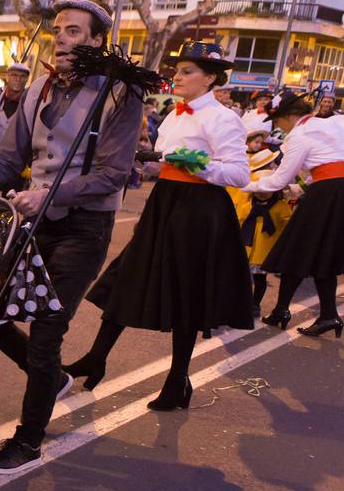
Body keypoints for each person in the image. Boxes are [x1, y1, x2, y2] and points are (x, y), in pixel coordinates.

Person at [0, 0, 144, 475]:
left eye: (74, 32)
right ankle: (53, 379)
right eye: (59, 31)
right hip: (32, 223)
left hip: (84, 227)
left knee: (45, 332)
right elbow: (6, 159)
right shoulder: (37, 90)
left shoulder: (120, 95)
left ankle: (28, 441)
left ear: (98, 41)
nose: (61, 39)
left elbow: (111, 175)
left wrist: (50, 194)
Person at [64, 42, 253, 412]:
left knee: (186, 293)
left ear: (210, 78)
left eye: (187, 71)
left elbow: (239, 174)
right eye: (178, 70)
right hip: (165, 202)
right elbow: (167, 160)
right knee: (128, 275)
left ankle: (177, 379)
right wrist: (152, 162)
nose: (177, 76)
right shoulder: (174, 115)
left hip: (198, 210)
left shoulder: (222, 118)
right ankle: (96, 358)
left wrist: (196, 166)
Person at [250, 89, 344, 337]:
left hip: (329, 194)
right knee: (321, 255)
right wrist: (303, 186)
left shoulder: (299, 134)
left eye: (276, 121)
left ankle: (284, 311)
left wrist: (245, 183)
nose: (278, 127)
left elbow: (278, 180)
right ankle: (326, 315)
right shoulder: (340, 122)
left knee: (297, 250)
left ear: (287, 117)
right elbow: (334, 164)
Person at [228, 127, 294, 317]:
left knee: (260, 278)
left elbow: (287, 225)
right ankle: (240, 302)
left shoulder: (279, 206)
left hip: (265, 251)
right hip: (245, 248)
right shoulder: (248, 203)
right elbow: (238, 219)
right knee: (241, 277)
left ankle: (255, 304)